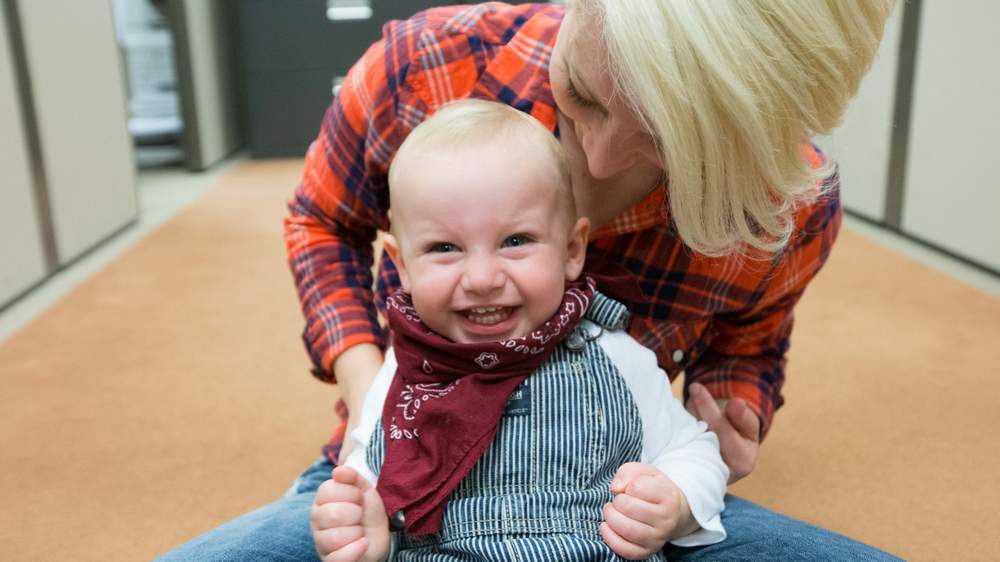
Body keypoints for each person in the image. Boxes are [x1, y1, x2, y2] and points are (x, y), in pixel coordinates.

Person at [157, 1, 902, 560]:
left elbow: (750, 346)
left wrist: (725, 427)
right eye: (584, 95)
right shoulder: (423, 66)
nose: (600, 163)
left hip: (615, 501)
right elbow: (321, 222)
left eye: (665, 144)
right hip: (409, 496)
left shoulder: (785, 203)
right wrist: (369, 407)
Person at [310, 99, 729, 561]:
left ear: (572, 250)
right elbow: (366, 469)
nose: (484, 279)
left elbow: (693, 449)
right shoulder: (402, 371)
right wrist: (359, 524)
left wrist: (676, 502)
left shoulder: (610, 352)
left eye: (515, 241)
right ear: (401, 266)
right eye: (445, 247)